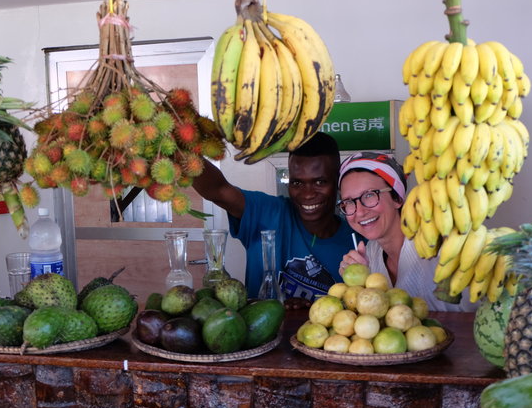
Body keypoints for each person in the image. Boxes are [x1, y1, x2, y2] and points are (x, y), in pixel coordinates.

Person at [192, 132, 357, 302]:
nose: (307, 195)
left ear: (338, 182)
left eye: (320, 182)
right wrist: (179, 152)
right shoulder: (267, 213)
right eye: (297, 183)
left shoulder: (358, 243)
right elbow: (218, 191)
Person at [336, 151, 475, 312]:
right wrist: (359, 283)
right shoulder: (371, 253)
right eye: (349, 202)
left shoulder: (440, 244)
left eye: (369, 195)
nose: (359, 212)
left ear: (397, 198)